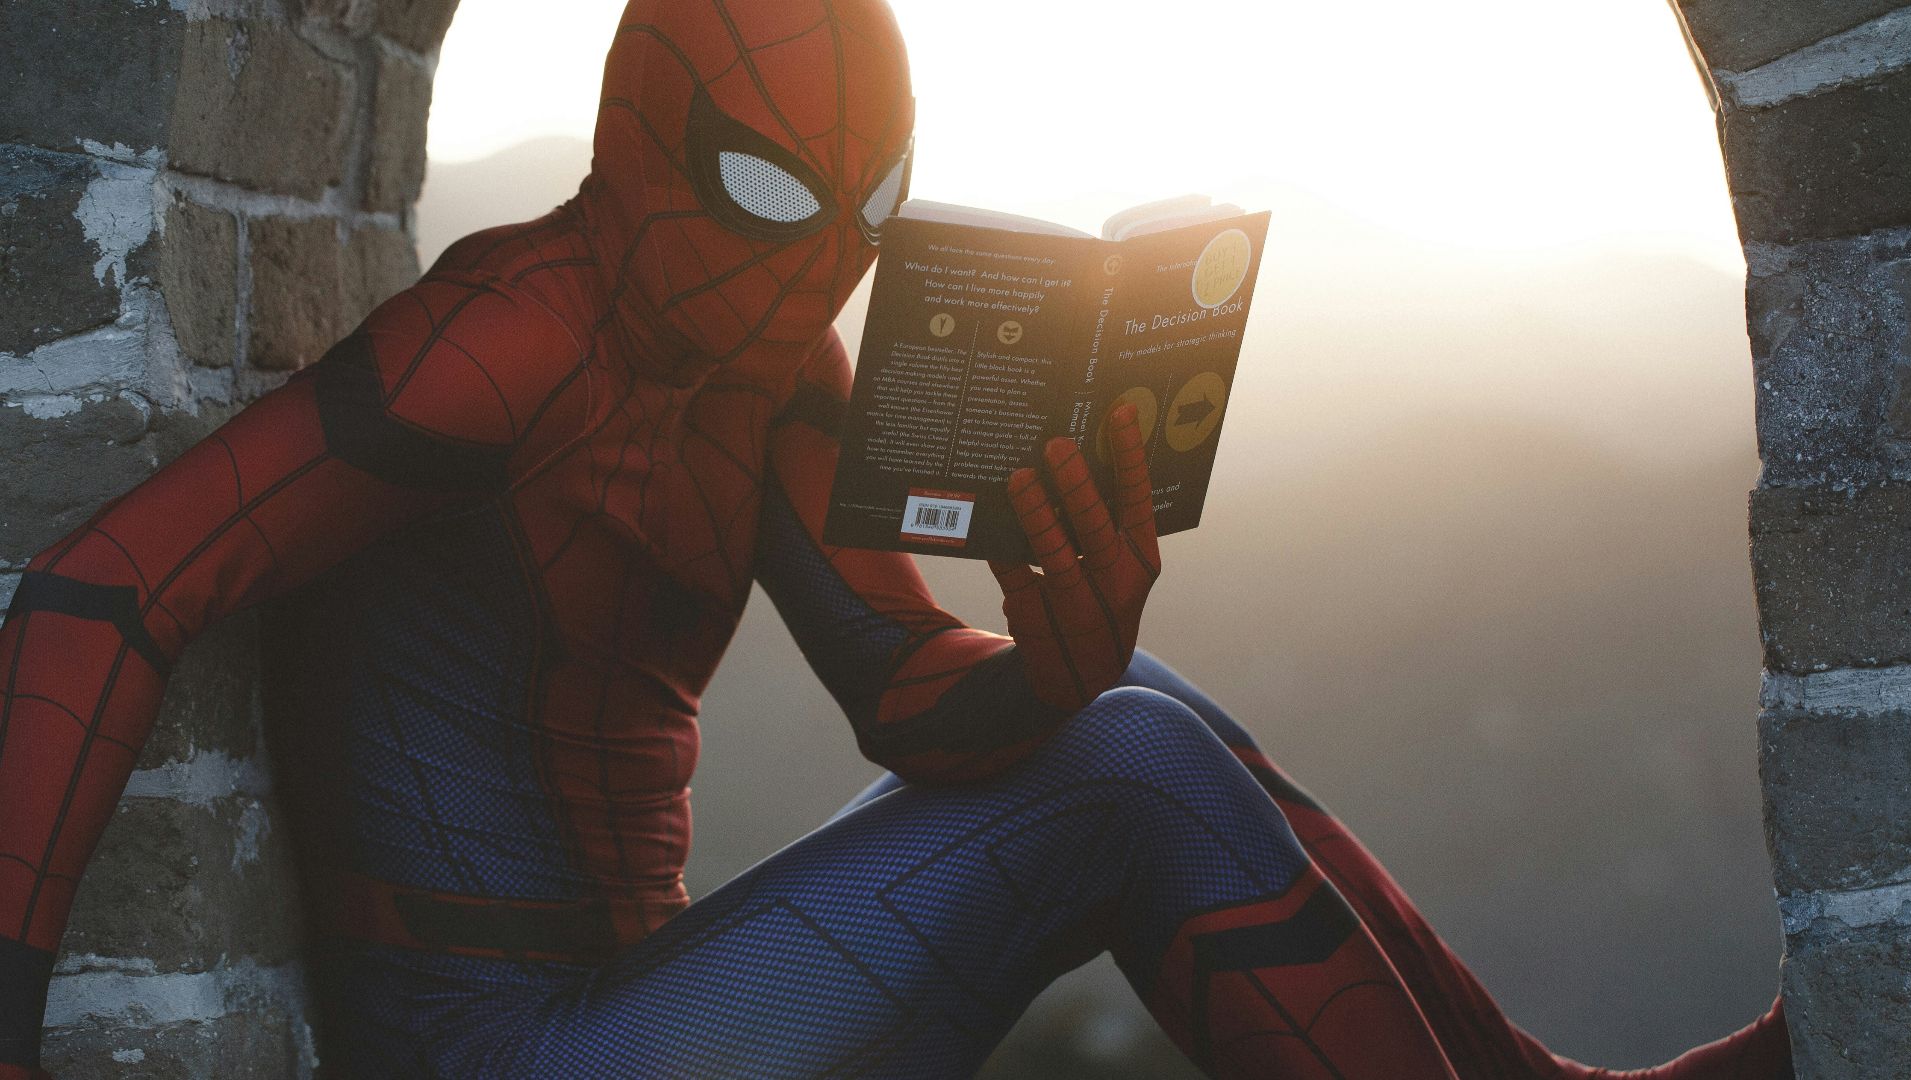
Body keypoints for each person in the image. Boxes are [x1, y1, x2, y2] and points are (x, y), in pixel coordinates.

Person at [0, 1, 1791, 1077]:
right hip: (488, 1046)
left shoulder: (773, 356)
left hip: (656, 1001)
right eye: (765, 192)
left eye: (865, 207)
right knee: (1134, 771)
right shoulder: (511, 337)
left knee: (1140, 705)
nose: (819, 260)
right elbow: (112, 585)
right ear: (644, 137)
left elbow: (905, 688)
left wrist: (1056, 657)